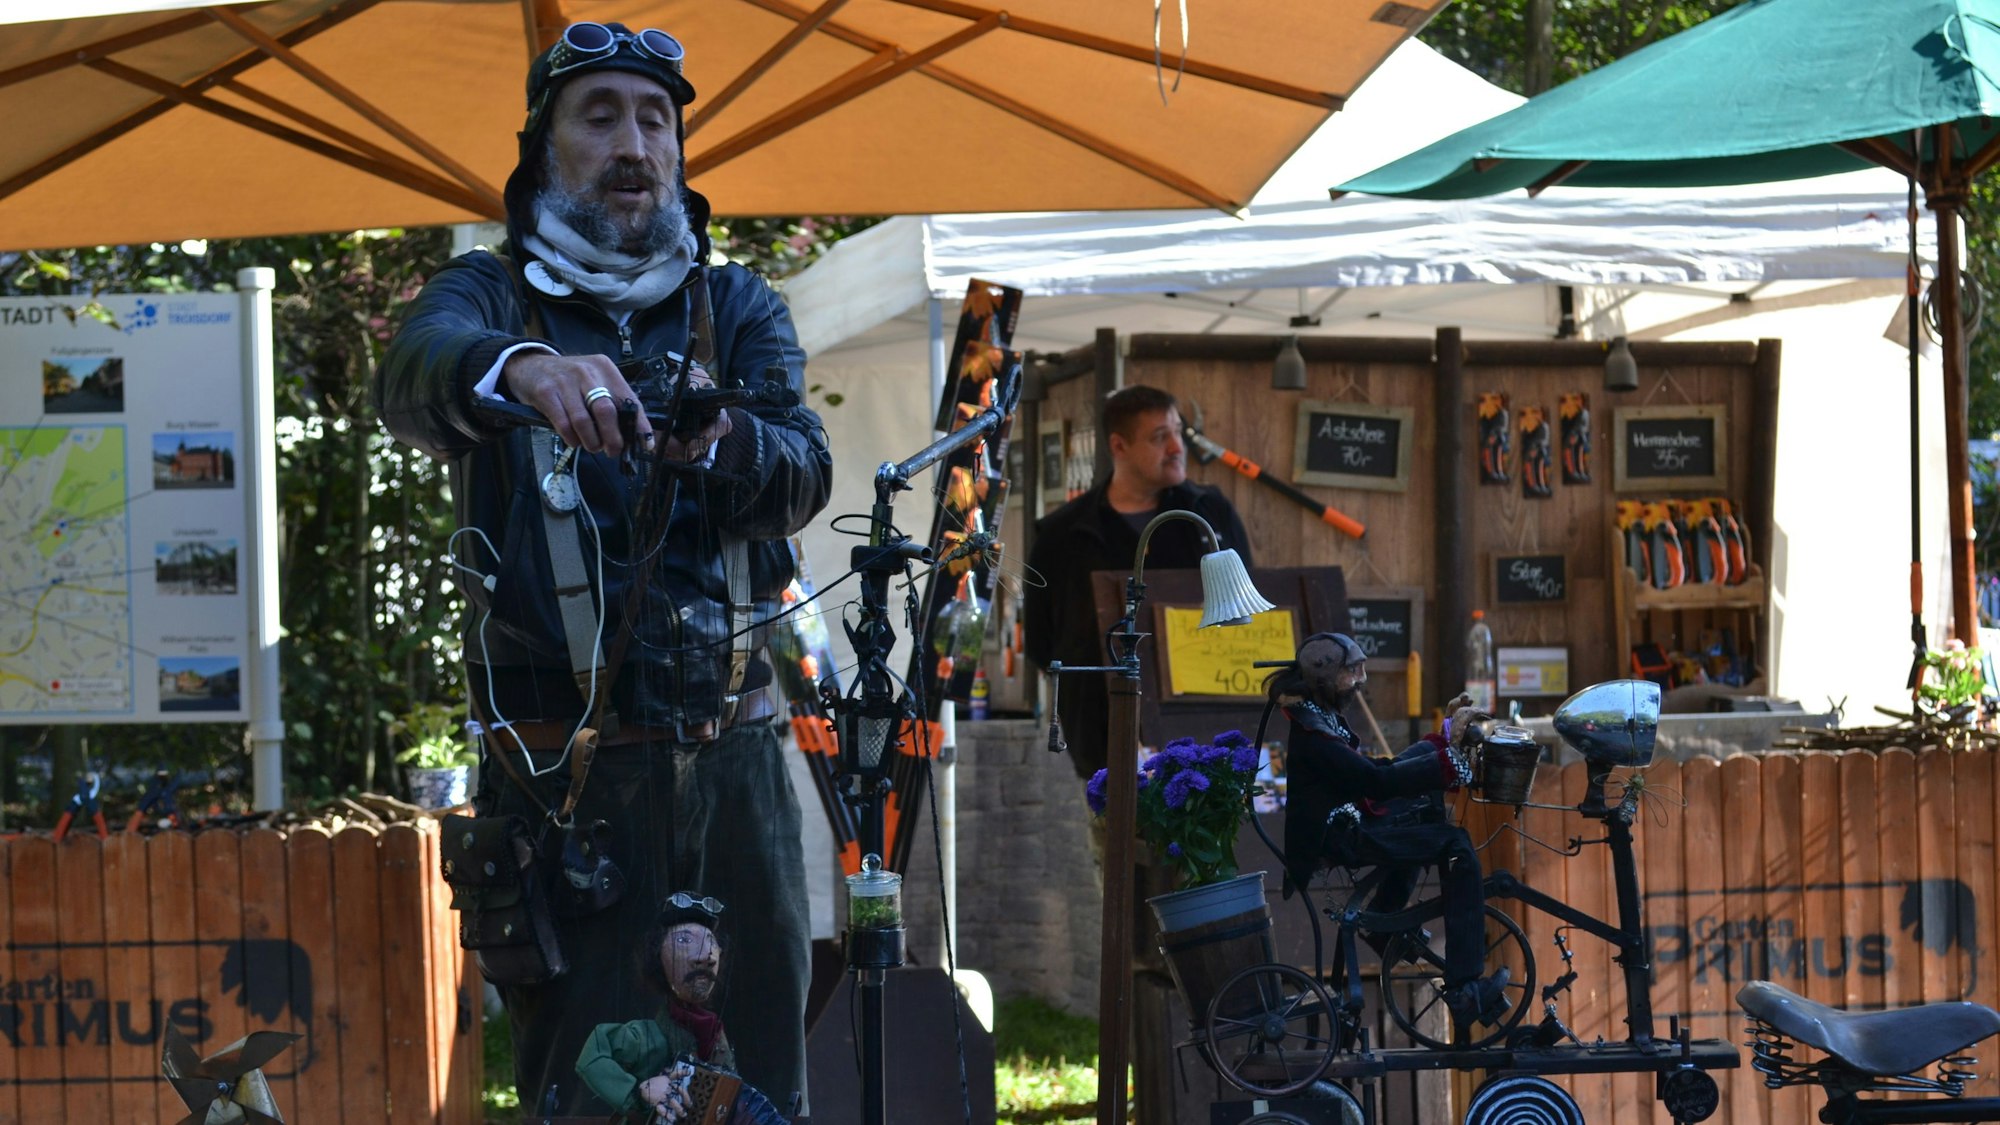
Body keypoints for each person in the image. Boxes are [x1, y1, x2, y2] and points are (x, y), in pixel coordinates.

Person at [375, 21, 829, 1115]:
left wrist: (720, 442)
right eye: (600, 115)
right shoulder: (486, 296)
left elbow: (804, 471)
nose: (634, 141)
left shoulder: (738, 308)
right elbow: (412, 374)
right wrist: (525, 369)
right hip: (562, 782)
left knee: (757, 1079)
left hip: (735, 767)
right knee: (594, 1088)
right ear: (543, 153)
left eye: (654, 119)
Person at [1273, 632, 1512, 1027]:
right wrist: (1447, 763)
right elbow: (1376, 782)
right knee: (1457, 845)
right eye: (1353, 673)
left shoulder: (1319, 718)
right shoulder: (1314, 735)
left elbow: (1377, 770)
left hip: (1351, 817)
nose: (1361, 679)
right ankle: (1465, 988)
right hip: (1343, 833)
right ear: (1324, 678)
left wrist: (1441, 744)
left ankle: (1385, 918)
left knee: (1422, 812)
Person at [1023, 385, 1252, 784]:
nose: (1177, 447)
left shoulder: (1209, 516)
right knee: (1112, 847)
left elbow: (1244, 607)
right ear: (1119, 445)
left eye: (1178, 432)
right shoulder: (1063, 535)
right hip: (1104, 746)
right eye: (1160, 437)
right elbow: (1043, 644)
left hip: (1205, 741)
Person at [575, 894, 787, 1124]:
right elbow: (593, 1055)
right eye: (684, 940)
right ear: (657, 957)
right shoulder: (644, 1037)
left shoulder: (717, 1039)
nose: (706, 956)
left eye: (711, 942)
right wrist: (637, 1092)